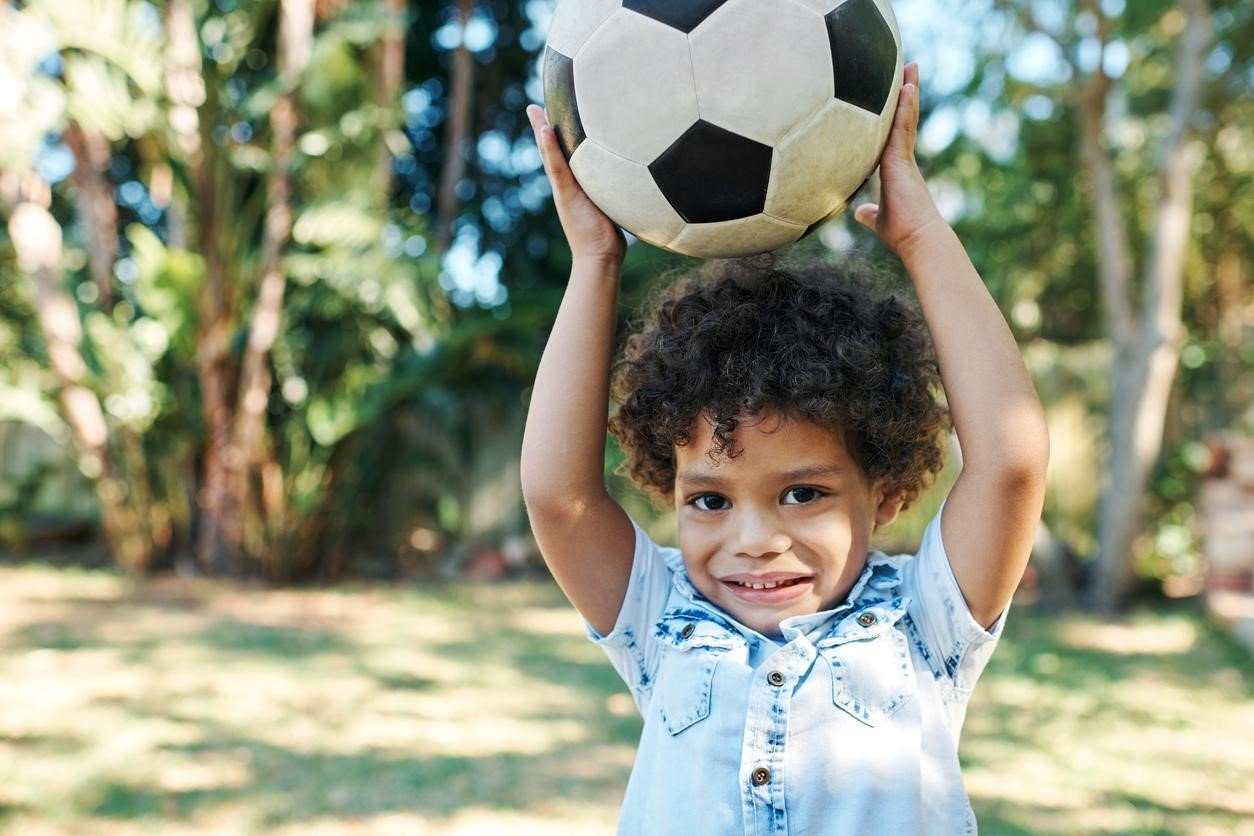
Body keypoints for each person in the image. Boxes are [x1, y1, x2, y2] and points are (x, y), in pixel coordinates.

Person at [520, 63, 1049, 835]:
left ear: (887, 492)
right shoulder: (662, 623)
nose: (755, 541)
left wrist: (921, 234)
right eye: (709, 500)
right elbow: (559, 500)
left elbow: (1009, 463)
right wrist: (595, 260)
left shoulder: (921, 626)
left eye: (803, 493)